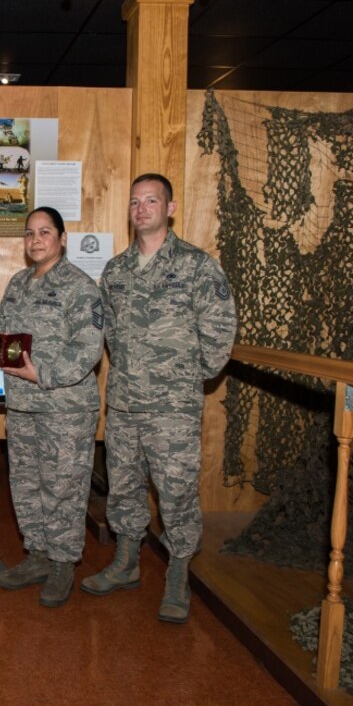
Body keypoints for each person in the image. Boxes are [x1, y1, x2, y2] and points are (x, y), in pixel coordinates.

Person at [81, 173, 237, 624]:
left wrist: (183, 377)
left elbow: (220, 331)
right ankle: (126, 563)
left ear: (170, 208)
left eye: (152, 201)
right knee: (124, 487)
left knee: (176, 492)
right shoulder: (116, 270)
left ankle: (178, 574)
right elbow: (111, 333)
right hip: (125, 403)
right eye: (135, 201)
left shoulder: (196, 266)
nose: (142, 209)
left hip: (173, 408)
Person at [0, 206, 103, 608]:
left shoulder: (80, 287)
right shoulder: (18, 283)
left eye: (44, 232)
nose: (35, 240)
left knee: (63, 487)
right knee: (25, 484)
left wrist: (42, 374)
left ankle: (62, 563)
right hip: (22, 405)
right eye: (29, 233)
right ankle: (37, 553)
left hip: (63, 407)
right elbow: (3, 328)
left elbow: (88, 348)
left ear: (62, 239)